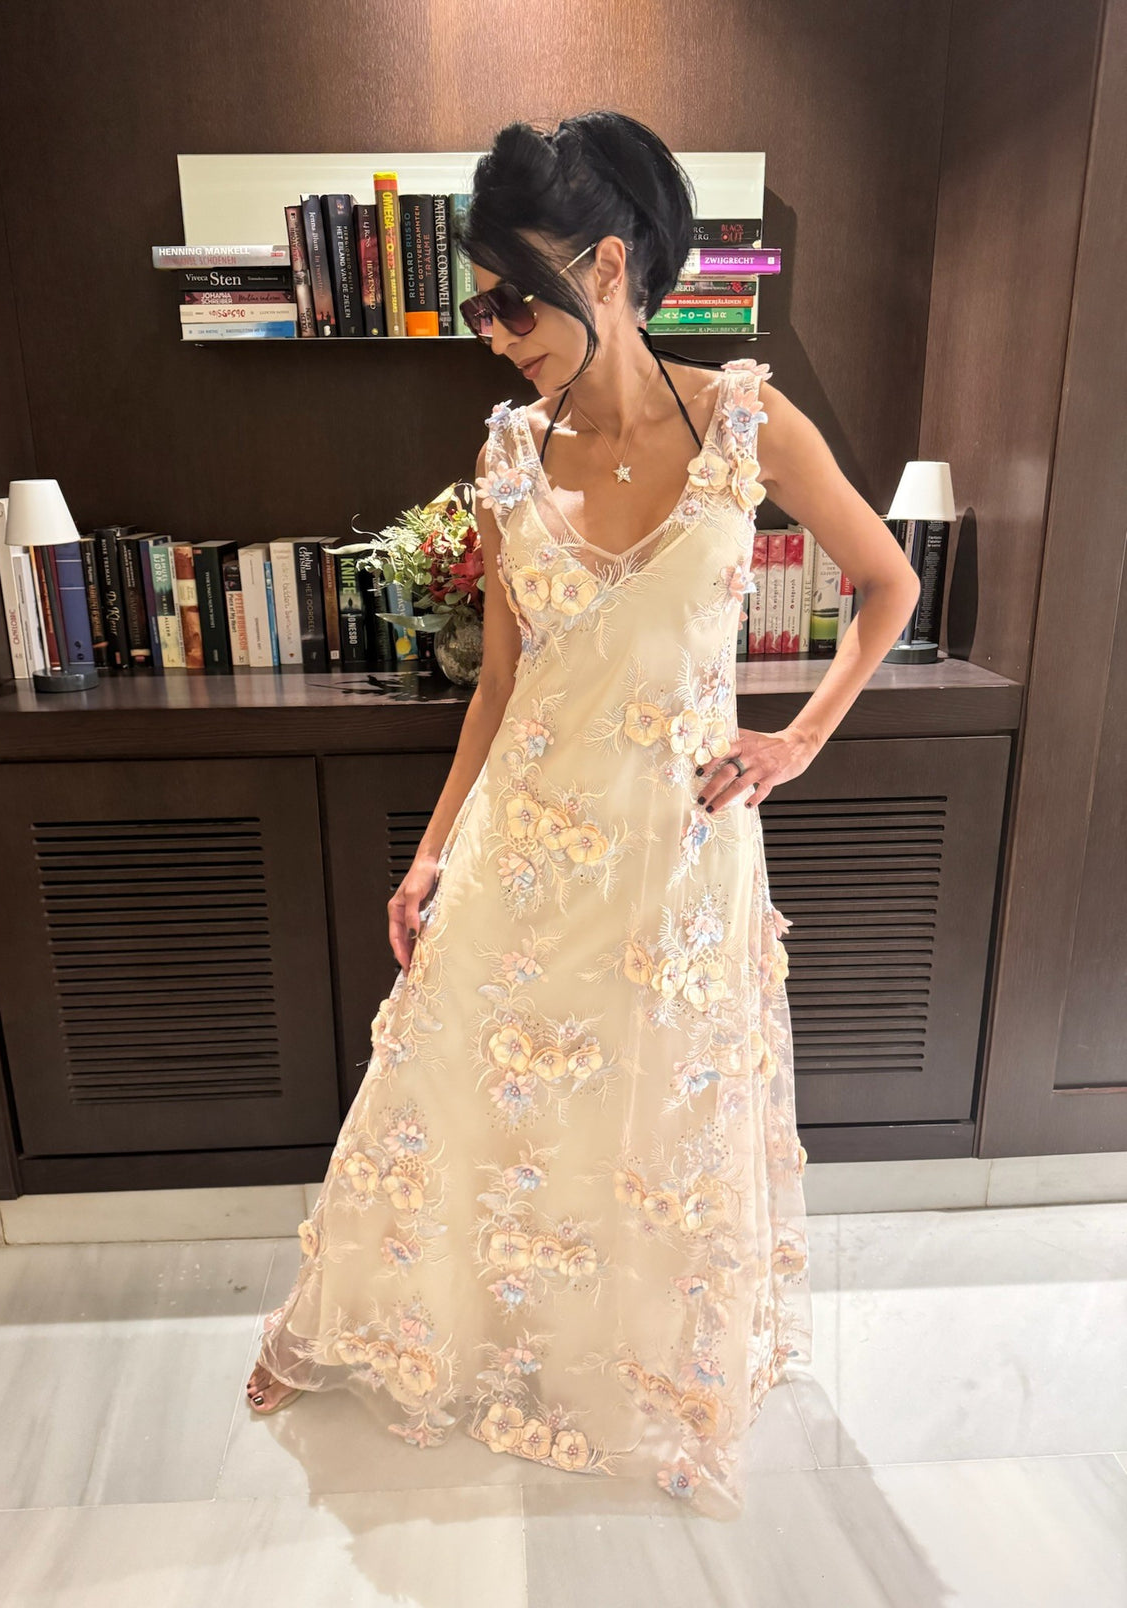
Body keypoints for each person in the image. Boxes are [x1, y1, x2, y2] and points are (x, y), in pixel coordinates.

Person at [245, 110, 920, 1517]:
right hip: (524, 854)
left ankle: (639, 1368)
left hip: (678, 859)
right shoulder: (505, 454)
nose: (489, 329)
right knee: (461, 1103)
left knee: (648, 1119)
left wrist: (796, 738)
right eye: (476, 303)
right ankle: (453, 1339)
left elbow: (885, 584)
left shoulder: (749, 421)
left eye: (508, 295)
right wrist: (432, 850)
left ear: (603, 268)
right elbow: (501, 680)